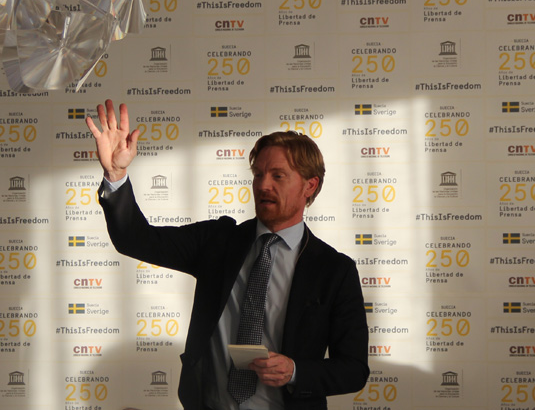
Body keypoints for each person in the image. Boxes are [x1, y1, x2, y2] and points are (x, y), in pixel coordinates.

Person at [86, 100, 370, 410]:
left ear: (309, 186)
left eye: (278, 176)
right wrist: (116, 174)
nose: (263, 185)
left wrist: (295, 371)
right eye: (258, 174)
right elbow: (135, 240)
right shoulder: (218, 241)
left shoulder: (334, 270)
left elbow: (354, 370)